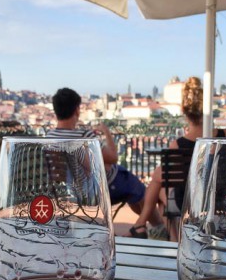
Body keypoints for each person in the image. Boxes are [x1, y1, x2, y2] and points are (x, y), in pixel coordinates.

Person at [126, 76, 226, 241]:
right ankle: (162, 232)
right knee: (162, 186)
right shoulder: (225, 136)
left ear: (184, 111)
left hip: (187, 204)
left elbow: (165, 177)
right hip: (217, 200)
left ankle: (170, 238)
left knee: (160, 188)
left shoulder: (178, 144)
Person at [47, 88, 160, 225]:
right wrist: (106, 132)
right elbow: (113, 157)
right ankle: (158, 227)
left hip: (69, 191)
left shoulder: (49, 138)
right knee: (140, 191)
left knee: (131, 189)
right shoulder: (84, 137)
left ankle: (145, 226)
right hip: (101, 188)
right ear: (77, 109)